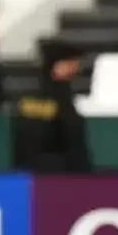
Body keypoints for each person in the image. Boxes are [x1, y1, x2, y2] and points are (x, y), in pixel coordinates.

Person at [13, 39, 91, 171]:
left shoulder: (63, 91)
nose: (77, 67)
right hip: (48, 169)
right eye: (71, 62)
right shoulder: (41, 95)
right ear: (57, 65)